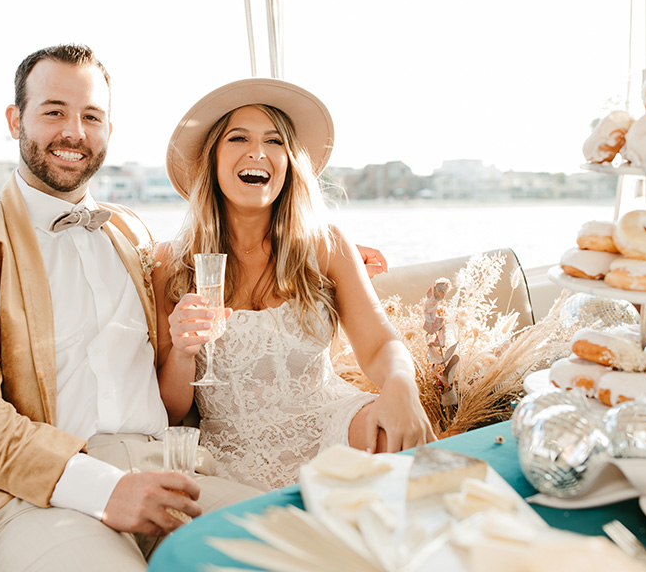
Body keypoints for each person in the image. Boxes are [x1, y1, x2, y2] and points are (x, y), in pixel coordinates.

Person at [0, 44, 263, 572]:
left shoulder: (129, 231)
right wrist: (105, 488)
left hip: (172, 473)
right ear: (14, 119)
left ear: (110, 129)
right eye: (54, 112)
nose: (74, 132)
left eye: (91, 116)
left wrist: (325, 252)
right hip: (27, 495)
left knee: (313, 547)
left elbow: (233, 249)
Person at [153, 78, 436, 491]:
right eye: (238, 138)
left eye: (274, 141)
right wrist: (181, 352)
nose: (258, 152)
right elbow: (172, 411)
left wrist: (400, 384)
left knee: (391, 437)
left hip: (331, 420)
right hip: (231, 452)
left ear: (289, 162)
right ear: (211, 160)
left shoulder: (328, 246)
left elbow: (379, 345)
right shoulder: (171, 265)